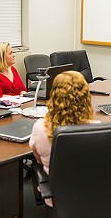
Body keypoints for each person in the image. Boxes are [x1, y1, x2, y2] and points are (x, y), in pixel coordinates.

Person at [29, 70, 100, 207]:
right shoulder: (97, 128)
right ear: (85, 97)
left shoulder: (40, 127)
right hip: (91, 194)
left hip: (58, 196)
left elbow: (37, 159)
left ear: (54, 95)